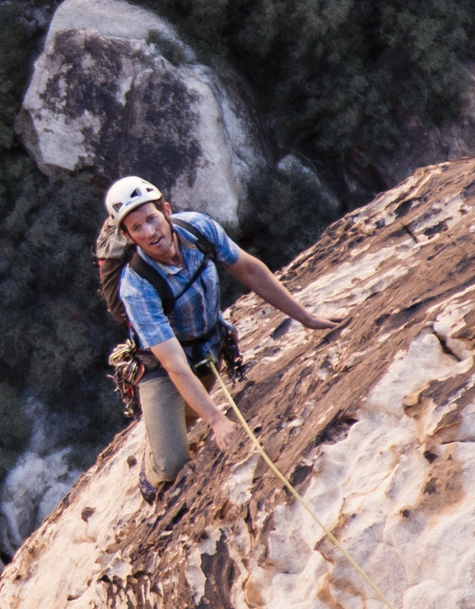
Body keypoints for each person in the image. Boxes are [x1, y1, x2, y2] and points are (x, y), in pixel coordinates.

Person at [102, 176, 340, 495]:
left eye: (151, 219)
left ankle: (170, 423)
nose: (149, 232)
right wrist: (215, 420)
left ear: (167, 211)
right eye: (136, 228)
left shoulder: (199, 229)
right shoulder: (136, 287)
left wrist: (307, 318)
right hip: (162, 368)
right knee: (171, 461)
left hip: (208, 346)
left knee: (185, 416)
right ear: (127, 236)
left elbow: (249, 270)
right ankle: (151, 465)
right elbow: (173, 364)